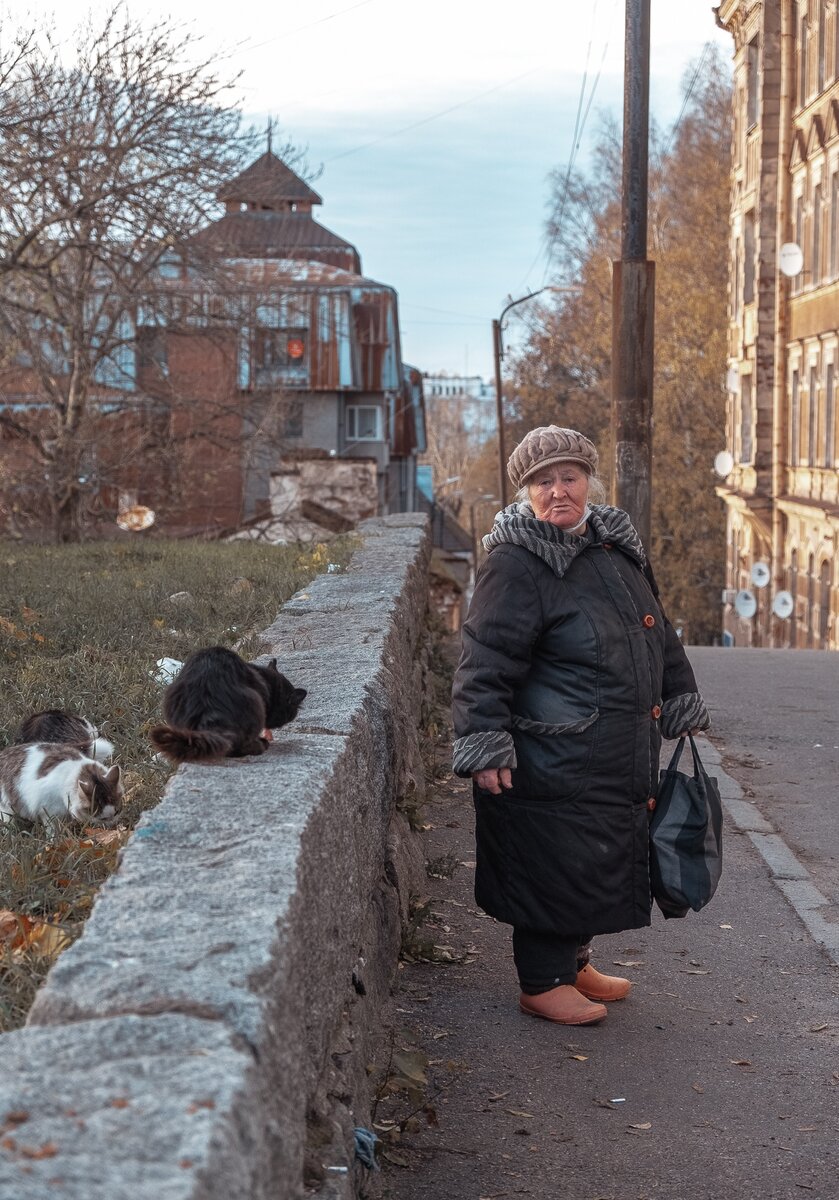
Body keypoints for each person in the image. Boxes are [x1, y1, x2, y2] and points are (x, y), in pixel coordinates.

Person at [451, 426, 709, 1026]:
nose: (558, 490)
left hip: (613, 744)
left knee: (599, 851)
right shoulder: (516, 563)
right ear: (526, 491)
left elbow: (655, 628)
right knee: (554, 857)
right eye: (544, 481)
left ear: (588, 479)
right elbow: (484, 659)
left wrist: (680, 693)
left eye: (569, 477)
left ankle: (575, 962)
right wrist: (485, 742)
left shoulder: (613, 545)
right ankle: (542, 982)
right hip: (551, 751)